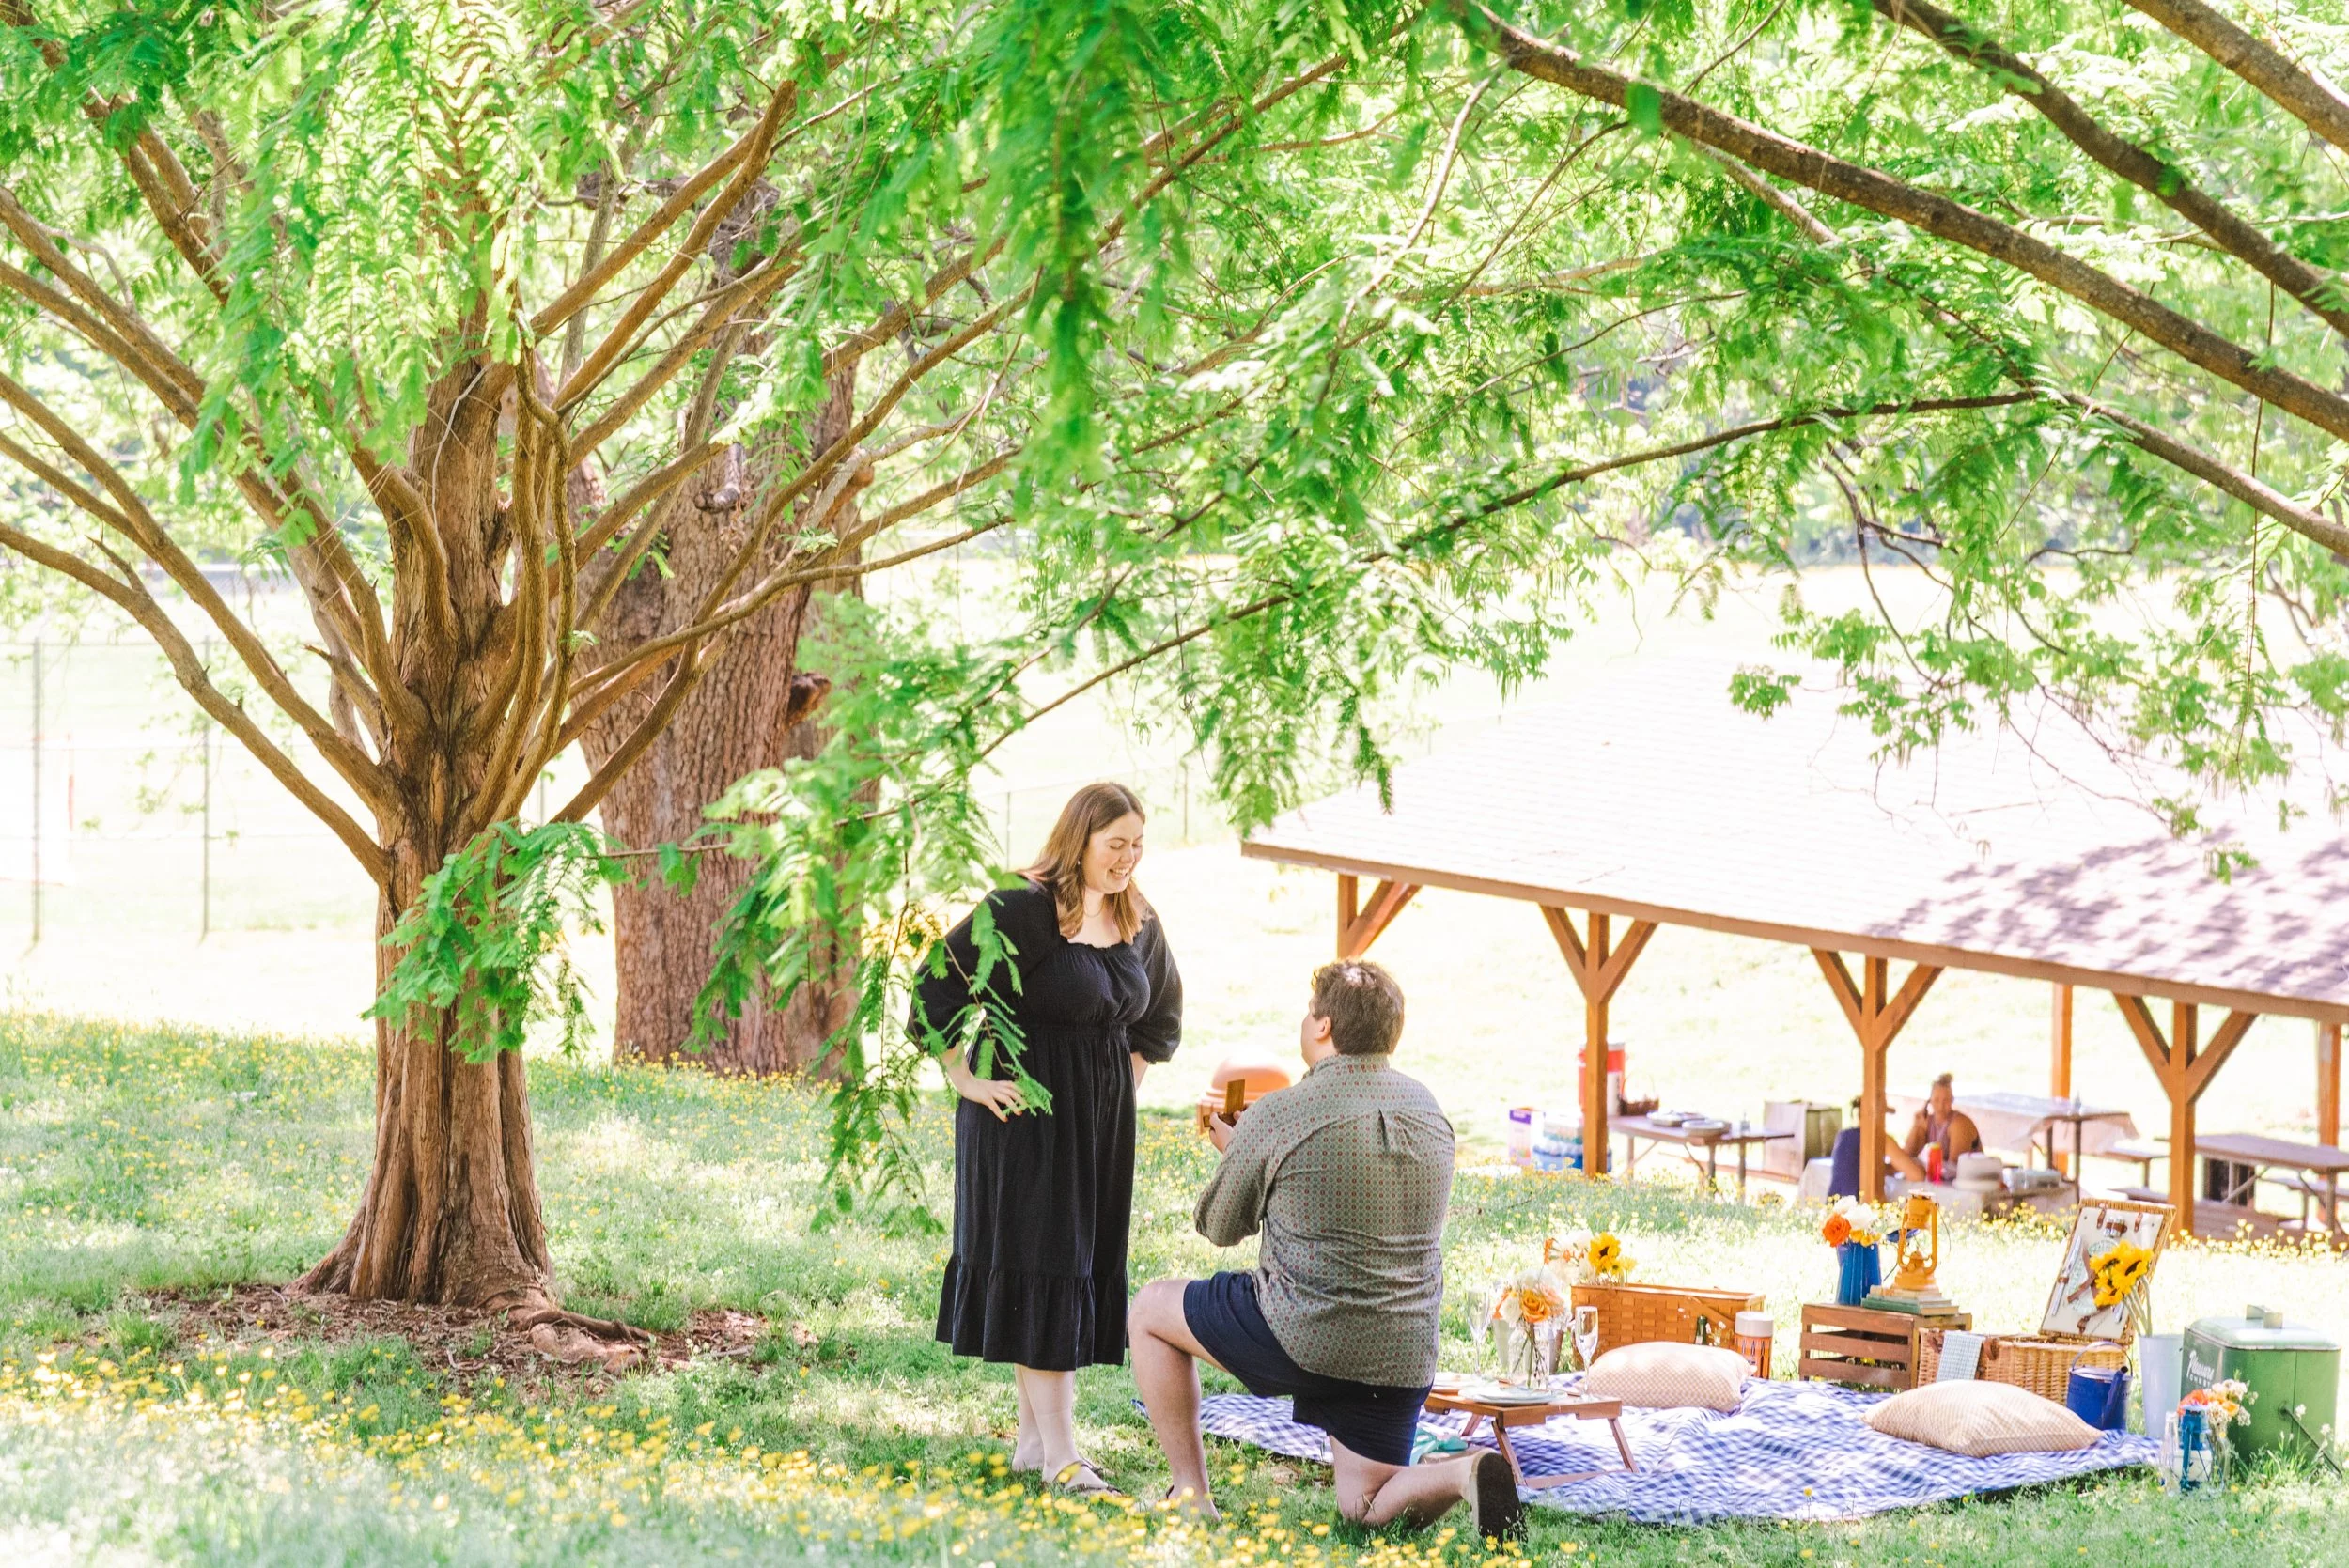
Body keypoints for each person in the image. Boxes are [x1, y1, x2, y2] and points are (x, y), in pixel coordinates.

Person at [1127, 961, 1523, 1541]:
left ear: (1322, 1026)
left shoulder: (1280, 1112)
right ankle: (1465, 1472)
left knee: (1150, 1311)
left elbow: (1218, 1225)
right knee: (1364, 1509)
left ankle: (1190, 1495)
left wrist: (1238, 1155)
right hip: (1402, 1349)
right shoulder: (1430, 1110)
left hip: (1303, 1333)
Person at [912, 783, 1182, 1497]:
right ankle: (1064, 1455)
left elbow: (1161, 1014)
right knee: (1046, 1264)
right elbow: (936, 987)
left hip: (1099, 1125)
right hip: (1023, 1121)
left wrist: (1124, 1080)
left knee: (1073, 1264)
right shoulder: (1022, 908)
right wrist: (965, 1078)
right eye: (1114, 844)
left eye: (1137, 844)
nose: (1128, 859)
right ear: (1079, 839)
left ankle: (1035, 1444)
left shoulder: (1135, 915)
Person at [1888, 1072, 1981, 1182]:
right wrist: (1917, 1127)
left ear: (1952, 1100)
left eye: (1946, 1100)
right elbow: (1907, 1156)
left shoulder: (1959, 1124)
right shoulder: (1927, 1122)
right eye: (1936, 1100)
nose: (1941, 1106)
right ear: (1929, 1101)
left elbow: (1955, 1168)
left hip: (1972, 1180)